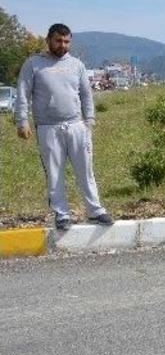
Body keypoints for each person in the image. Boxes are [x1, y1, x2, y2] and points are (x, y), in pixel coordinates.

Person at [15, 23, 114, 230]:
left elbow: (86, 94)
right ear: (48, 40)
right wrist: (22, 121)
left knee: (85, 171)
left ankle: (95, 211)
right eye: (58, 41)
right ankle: (61, 214)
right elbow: (23, 93)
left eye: (66, 41)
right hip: (48, 127)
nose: (62, 45)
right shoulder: (33, 64)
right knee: (54, 173)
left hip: (77, 126)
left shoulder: (77, 65)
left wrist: (89, 121)